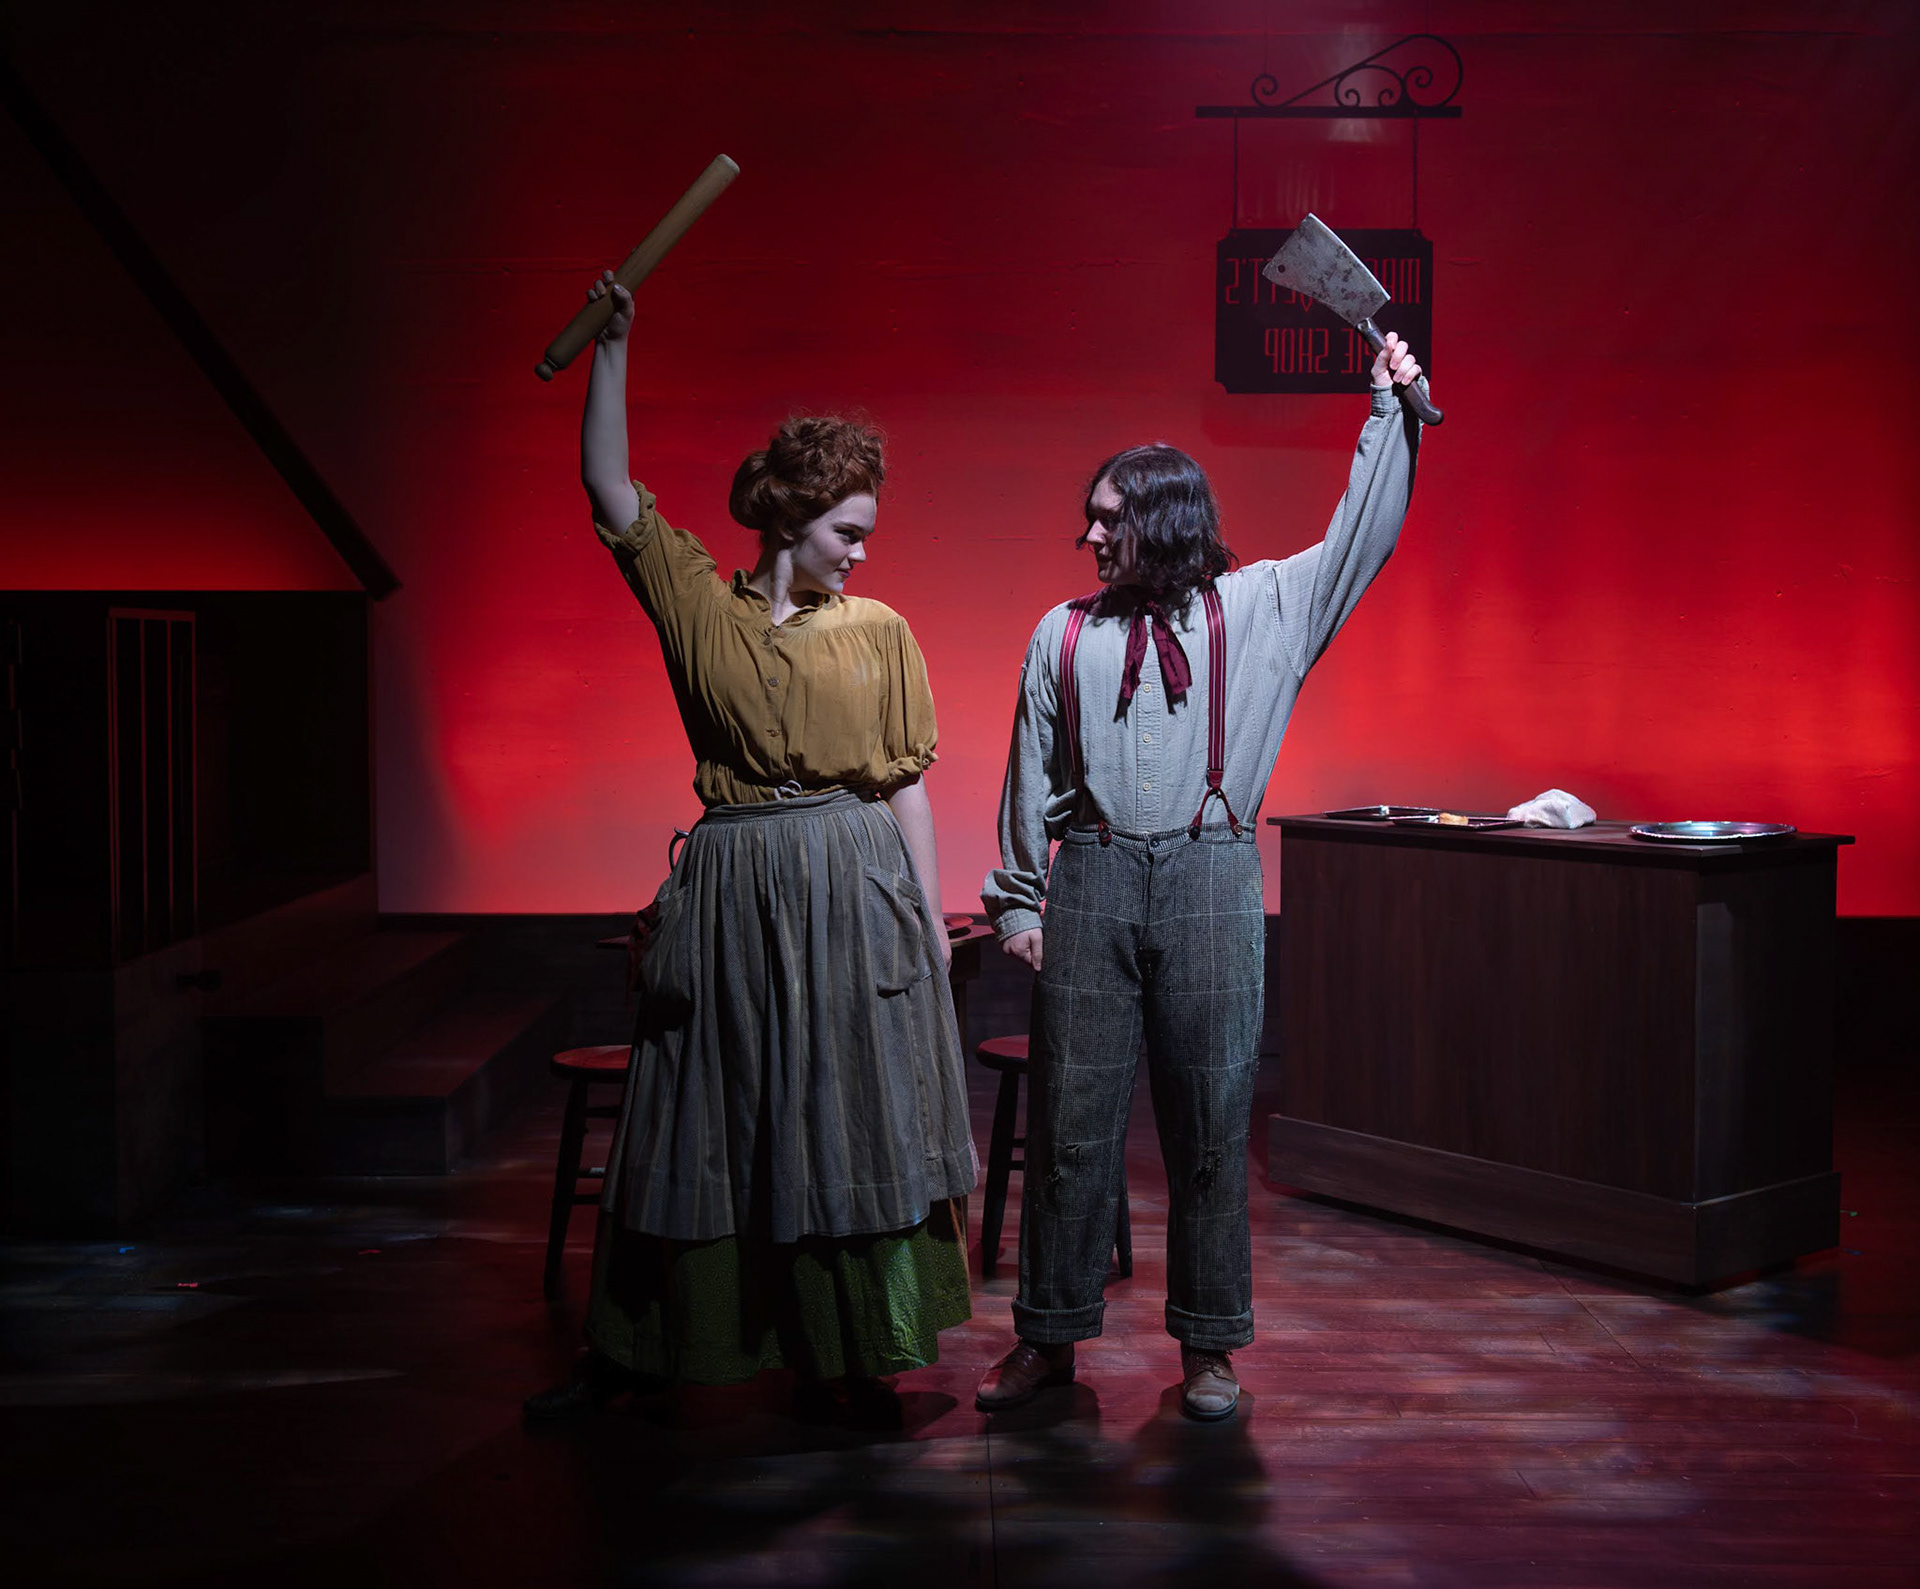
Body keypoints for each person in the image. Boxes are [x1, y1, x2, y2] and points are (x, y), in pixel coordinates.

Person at [526, 271, 976, 1427]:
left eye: (866, 534)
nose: (861, 553)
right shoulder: (700, 608)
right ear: (789, 519)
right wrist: (614, 348)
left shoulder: (879, 630)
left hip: (850, 886)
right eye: (846, 531)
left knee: (843, 1111)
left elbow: (906, 783)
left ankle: (852, 1358)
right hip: (733, 886)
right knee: (700, 1113)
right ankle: (643, 1347)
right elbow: (609, 488)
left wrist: (930, 921)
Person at [976, 334, 1426, 1421]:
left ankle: (1210, 1346)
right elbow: (1030, 772)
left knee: (1212, 1126)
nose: (1089, 536)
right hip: (1090, 881)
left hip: (1211, 880)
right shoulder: (1062, 632)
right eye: (1091, 518)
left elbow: (1361, 536)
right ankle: (1048, 1335)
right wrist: (1021, 898)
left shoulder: (1265, 605)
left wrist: (1389, 411)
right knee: (1072, 1125)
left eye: (1109, 519)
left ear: (1165, 520)